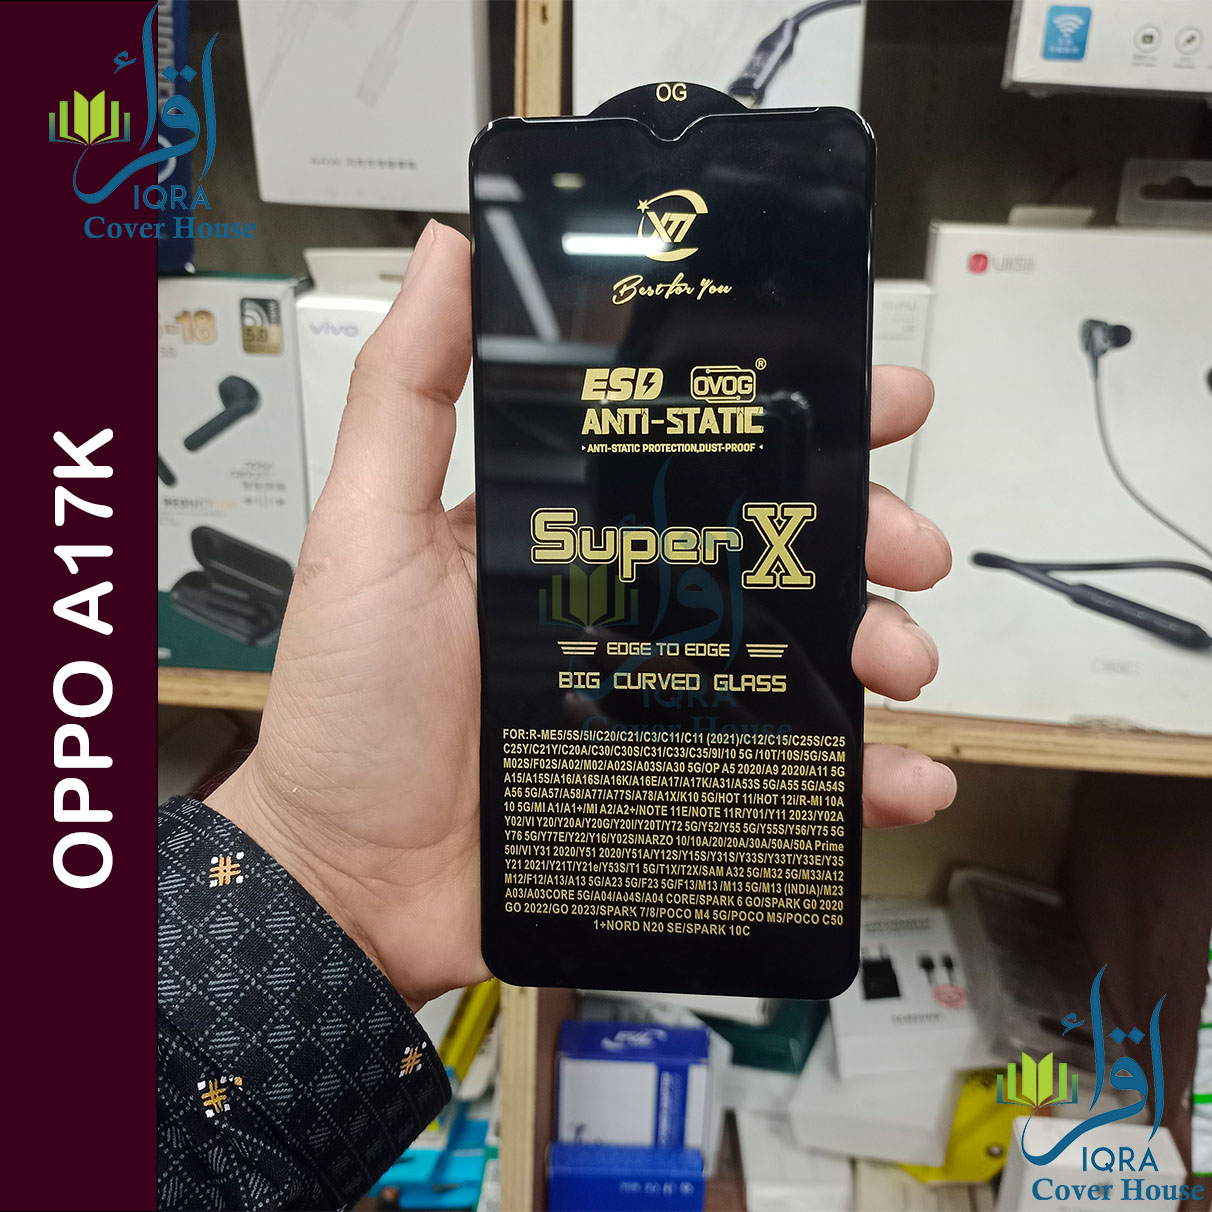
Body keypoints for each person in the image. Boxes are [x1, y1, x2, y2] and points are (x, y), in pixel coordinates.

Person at [158, 220, 956, 1210]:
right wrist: (324, 863)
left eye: (746, 406)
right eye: (672, 397)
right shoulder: (543, 583)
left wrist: (323, 875)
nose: (702, 433)